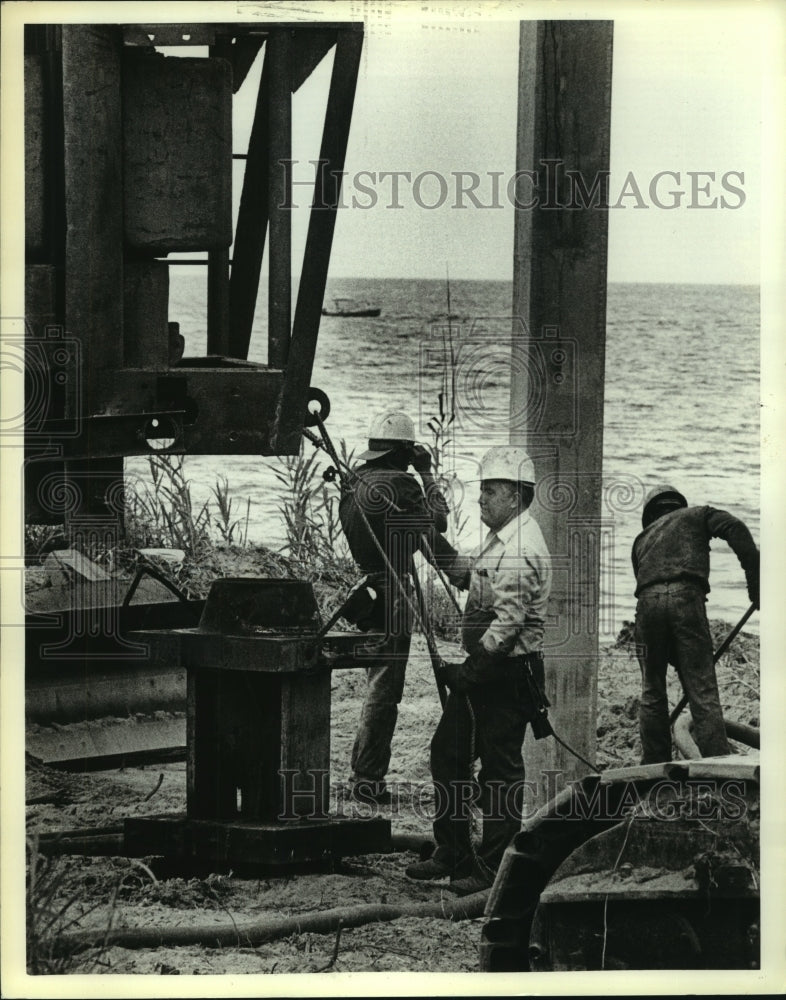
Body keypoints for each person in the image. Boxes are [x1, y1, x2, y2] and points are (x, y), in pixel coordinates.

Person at [406, 445, 552, 896]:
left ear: (516, 495)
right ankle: (452, 850)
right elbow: (467, 571)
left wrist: (468, 673)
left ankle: (491, 870)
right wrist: (426, 537)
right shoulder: (501, 539)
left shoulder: (521, 549)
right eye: (482, 490)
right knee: (448, 755)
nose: (481, 499)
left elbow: (506, 629)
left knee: (500, 772)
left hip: (507, 677)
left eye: (490, 491)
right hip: (488, 673)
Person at [339, 410, 457, 804]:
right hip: (392, 593)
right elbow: (437, 521)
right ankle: (367, 778)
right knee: (385, 691)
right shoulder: (402, 482)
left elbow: (416, 531)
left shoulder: (353, 480)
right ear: (404, 451)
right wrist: (428, 474)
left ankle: (365, 773)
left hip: (365, 589)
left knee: (377, 684)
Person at [631, 484, 760, 763]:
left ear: (650, 515)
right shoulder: (699, 514)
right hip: (687, 598)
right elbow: (735, 528)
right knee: (701, 688)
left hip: (647, 604)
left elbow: (649, 594)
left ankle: (655, 764)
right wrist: (756, 582)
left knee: (652, 690)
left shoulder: (641, 540)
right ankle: (717, 765)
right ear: (679, 505)